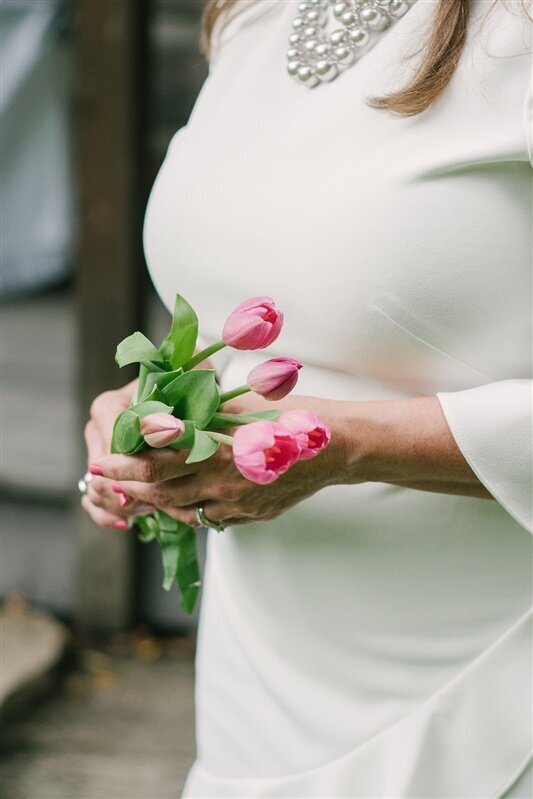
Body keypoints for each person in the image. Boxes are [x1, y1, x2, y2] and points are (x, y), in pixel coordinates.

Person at [81, 1, 532, 796]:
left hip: (486, 675)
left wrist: (345, 443)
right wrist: (156, 410)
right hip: (258, 678)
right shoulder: (252, 14)